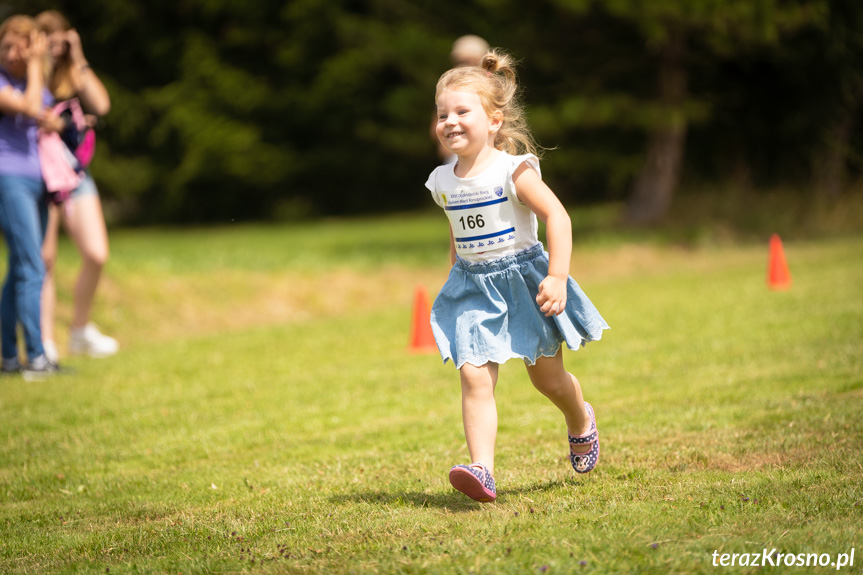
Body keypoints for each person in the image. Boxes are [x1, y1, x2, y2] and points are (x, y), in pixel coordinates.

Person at [425, 50, 610, 502]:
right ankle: (482, 469)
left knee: (546, 380)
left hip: (525, 282)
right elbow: (458, 235)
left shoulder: (514, 170)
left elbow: (558, 218)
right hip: (473, 286)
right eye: (442, 113)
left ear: (493, 121)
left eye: (461, 111)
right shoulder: (440, 180)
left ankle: (579, 419)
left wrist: (559, 276)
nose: (449, 121)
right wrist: (454, 280)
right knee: (473, 377)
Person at [35, 10, 117, 360]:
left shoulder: (72, 70)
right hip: (40, 175)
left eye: (59, 39)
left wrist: (78, 56)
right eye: (47, 39)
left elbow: (102, 104)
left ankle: (80, 330)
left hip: (76, 174)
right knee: (46, 259)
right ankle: (45, 344)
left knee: (97, 254)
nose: (55, 46)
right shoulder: (29, 76)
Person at [0, 15, 64, 378]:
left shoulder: (30, 79)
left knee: (18, 270)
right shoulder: (3, 81)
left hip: (37, 179)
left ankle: (9, 356)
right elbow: (27, 107)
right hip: (8, 178)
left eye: (18, 46)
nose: (10, 53)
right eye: (5, 45)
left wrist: (57, 121)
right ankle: (37, 358)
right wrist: (36, 64)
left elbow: (45, 111)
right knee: (33, 265)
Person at [432, 35, 490, 164]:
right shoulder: (449, 88)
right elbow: (436, 121)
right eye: (459, 61)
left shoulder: (491, 88)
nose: (464, 66)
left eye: (469, 61)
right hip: (457, 153)